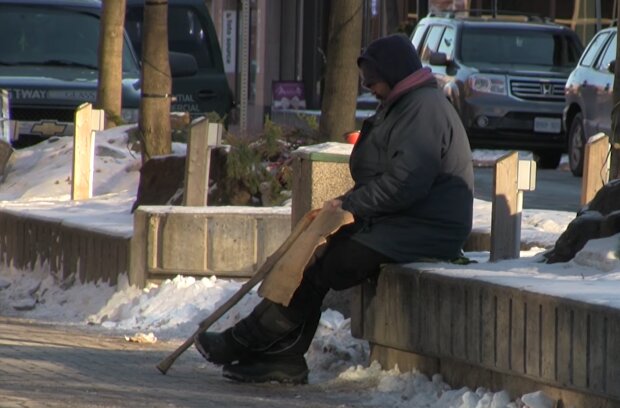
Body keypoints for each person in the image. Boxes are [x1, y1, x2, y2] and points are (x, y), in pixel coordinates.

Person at [193, 33, 474, 384]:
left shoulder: (423, 109)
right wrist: (347, 205)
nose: (370, 88)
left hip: (424, 228)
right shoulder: (402, 104)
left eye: (374, 81)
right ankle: (278, 354)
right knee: (310, 255)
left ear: (394, 73)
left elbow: (407, 184)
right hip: (397, 220)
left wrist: (351, 204)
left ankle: (254, 343)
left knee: (328, 264)